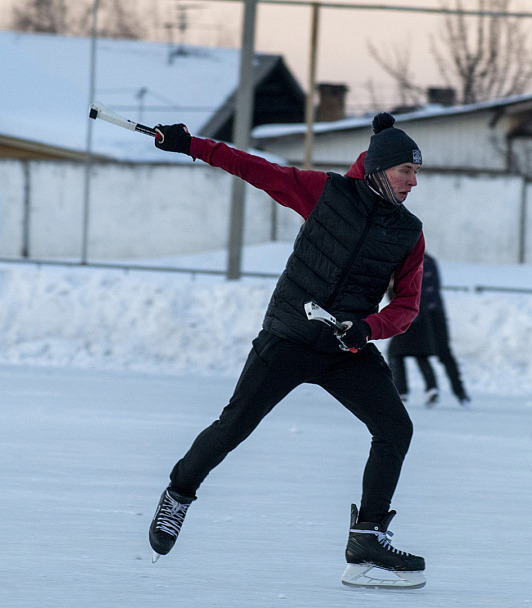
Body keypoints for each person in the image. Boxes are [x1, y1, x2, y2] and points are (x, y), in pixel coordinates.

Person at [147, 112, 427, 589]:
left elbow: (407, 305)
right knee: (234, 425)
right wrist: (191, 145)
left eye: (417, 173)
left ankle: (367, 537)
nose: (414, 183)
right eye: (407, 171)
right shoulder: (325, 192)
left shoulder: (408, 231)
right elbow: (253, 168)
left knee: (394, 427)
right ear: (381, 170)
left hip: (345, 347)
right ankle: (178, 493)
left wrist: (368, 327)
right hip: (290, 337)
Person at [388, 252, 469, 407]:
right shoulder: (429, 260)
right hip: (435, 313)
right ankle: (457, 392)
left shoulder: (405, 261)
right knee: (434, 352)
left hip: (415, 314)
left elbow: (404, 290)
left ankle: (403, 391)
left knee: (398, 352)